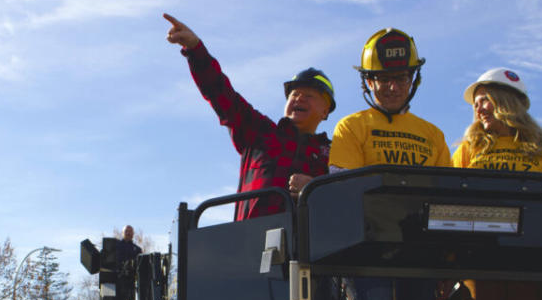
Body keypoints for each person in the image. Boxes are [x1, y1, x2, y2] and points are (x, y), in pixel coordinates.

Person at [163, 13, 334, 220]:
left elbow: (348, 199)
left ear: (325, 111)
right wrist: (195, 49)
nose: (299, 99)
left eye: (309, 96)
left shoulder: (336, 155)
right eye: (294, 94)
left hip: (314, 248)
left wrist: (315, 190)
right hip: (250, 245)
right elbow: (219, 92)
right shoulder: (258, 131)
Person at [452, 67, 542, 202]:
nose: (479, 110)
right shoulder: (468, 148)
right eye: (476, 105)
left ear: (507, 102)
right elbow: (446, 199)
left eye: (485, 100)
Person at [329, 28, 449, 170]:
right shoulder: (351, 127)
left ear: (412, 80)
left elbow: (447, 190)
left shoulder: (435, 136)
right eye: (384, 79)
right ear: (369, 82)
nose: (393, 87)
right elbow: (345, 187)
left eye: (401, 78)